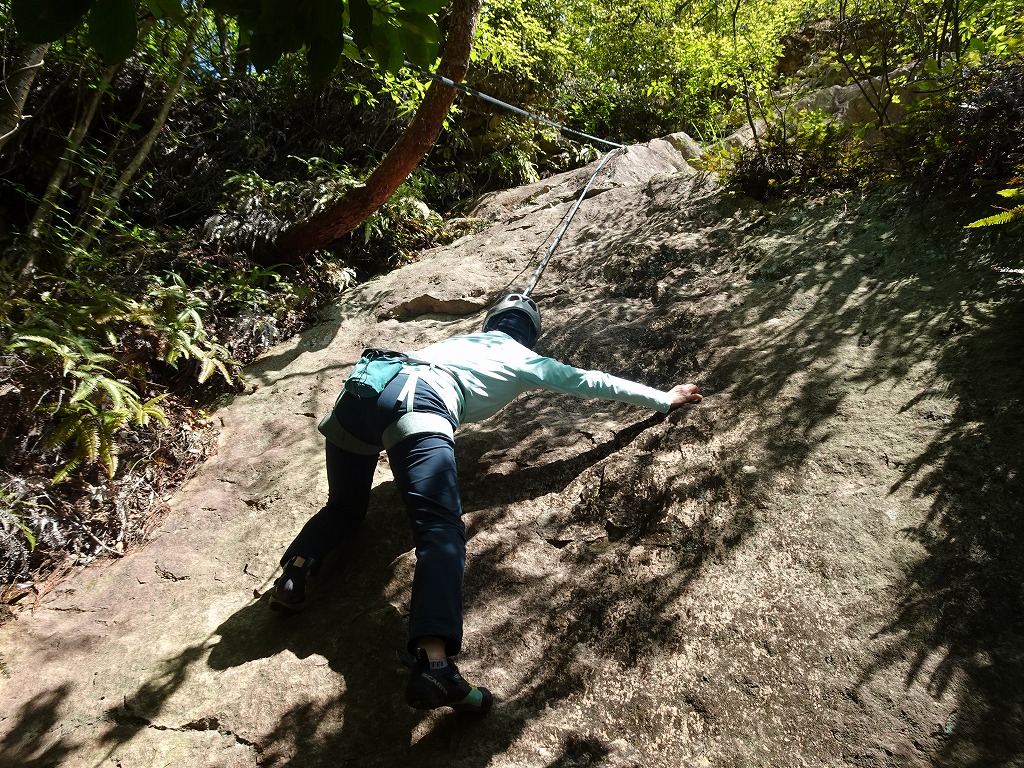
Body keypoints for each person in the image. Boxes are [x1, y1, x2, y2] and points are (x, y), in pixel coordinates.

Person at [269, 293, 703, 714]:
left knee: (344, 509)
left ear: (491, 323)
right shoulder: (525, 360)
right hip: (417, 401)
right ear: (529, 336)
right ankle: (435, 666)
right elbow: (590, 381)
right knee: (440, 532)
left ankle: (295, 573)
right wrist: (663, 398)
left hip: (364, 392)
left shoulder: (460, 341)